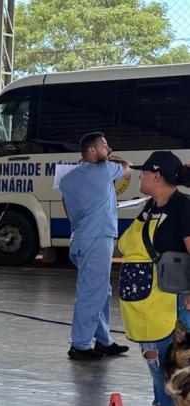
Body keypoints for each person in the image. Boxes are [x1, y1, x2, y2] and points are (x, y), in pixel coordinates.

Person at [120, 151, 190, 406]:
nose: (140, 177)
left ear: (157, 176)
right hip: (148, 297)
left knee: (168, 362)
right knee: (153, 358)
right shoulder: (150, 207)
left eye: (144, 172)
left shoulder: (181, 208)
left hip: (173, 298)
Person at [59, 132, 131, 360]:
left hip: (80, 239)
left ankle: (103, 340)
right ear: (92, 151)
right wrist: (112, 160)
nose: (108, 150)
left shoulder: (67, 179)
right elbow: (126, 167)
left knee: (100, 290)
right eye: (105, 146)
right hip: (98, 239)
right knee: (92, 293)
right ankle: (80, 345)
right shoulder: (105, 170)